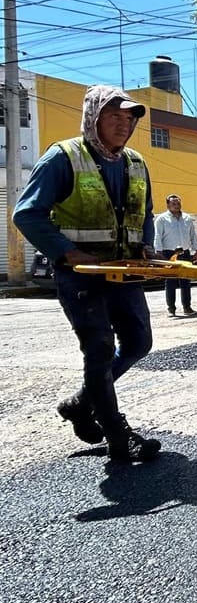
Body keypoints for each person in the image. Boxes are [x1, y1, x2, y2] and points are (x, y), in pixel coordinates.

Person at [12, 84, 161, 462]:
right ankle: (116, 434)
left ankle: (81, 403)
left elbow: (144, 213)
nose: (123, 124)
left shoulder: (137, 162)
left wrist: (146, 246)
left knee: (140, 342)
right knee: (98, 350)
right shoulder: (62, 157)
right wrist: (67, 252)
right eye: (114, 116)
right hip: (81, 276)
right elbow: (26, 214)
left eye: (128, 118)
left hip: (123, 273)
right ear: (93, 117)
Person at [153, 194, 197, 317]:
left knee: (186, 281)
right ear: (168, 205)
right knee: (170, 281)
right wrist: (158, 252)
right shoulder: (162, 219)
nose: (177, 205)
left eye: (178, 203)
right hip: (169, 253)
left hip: (184, 252)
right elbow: (157, 236)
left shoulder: (187, 218)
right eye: (173, 203)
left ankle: (187, 307)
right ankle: (171, 308)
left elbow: (192, 235)